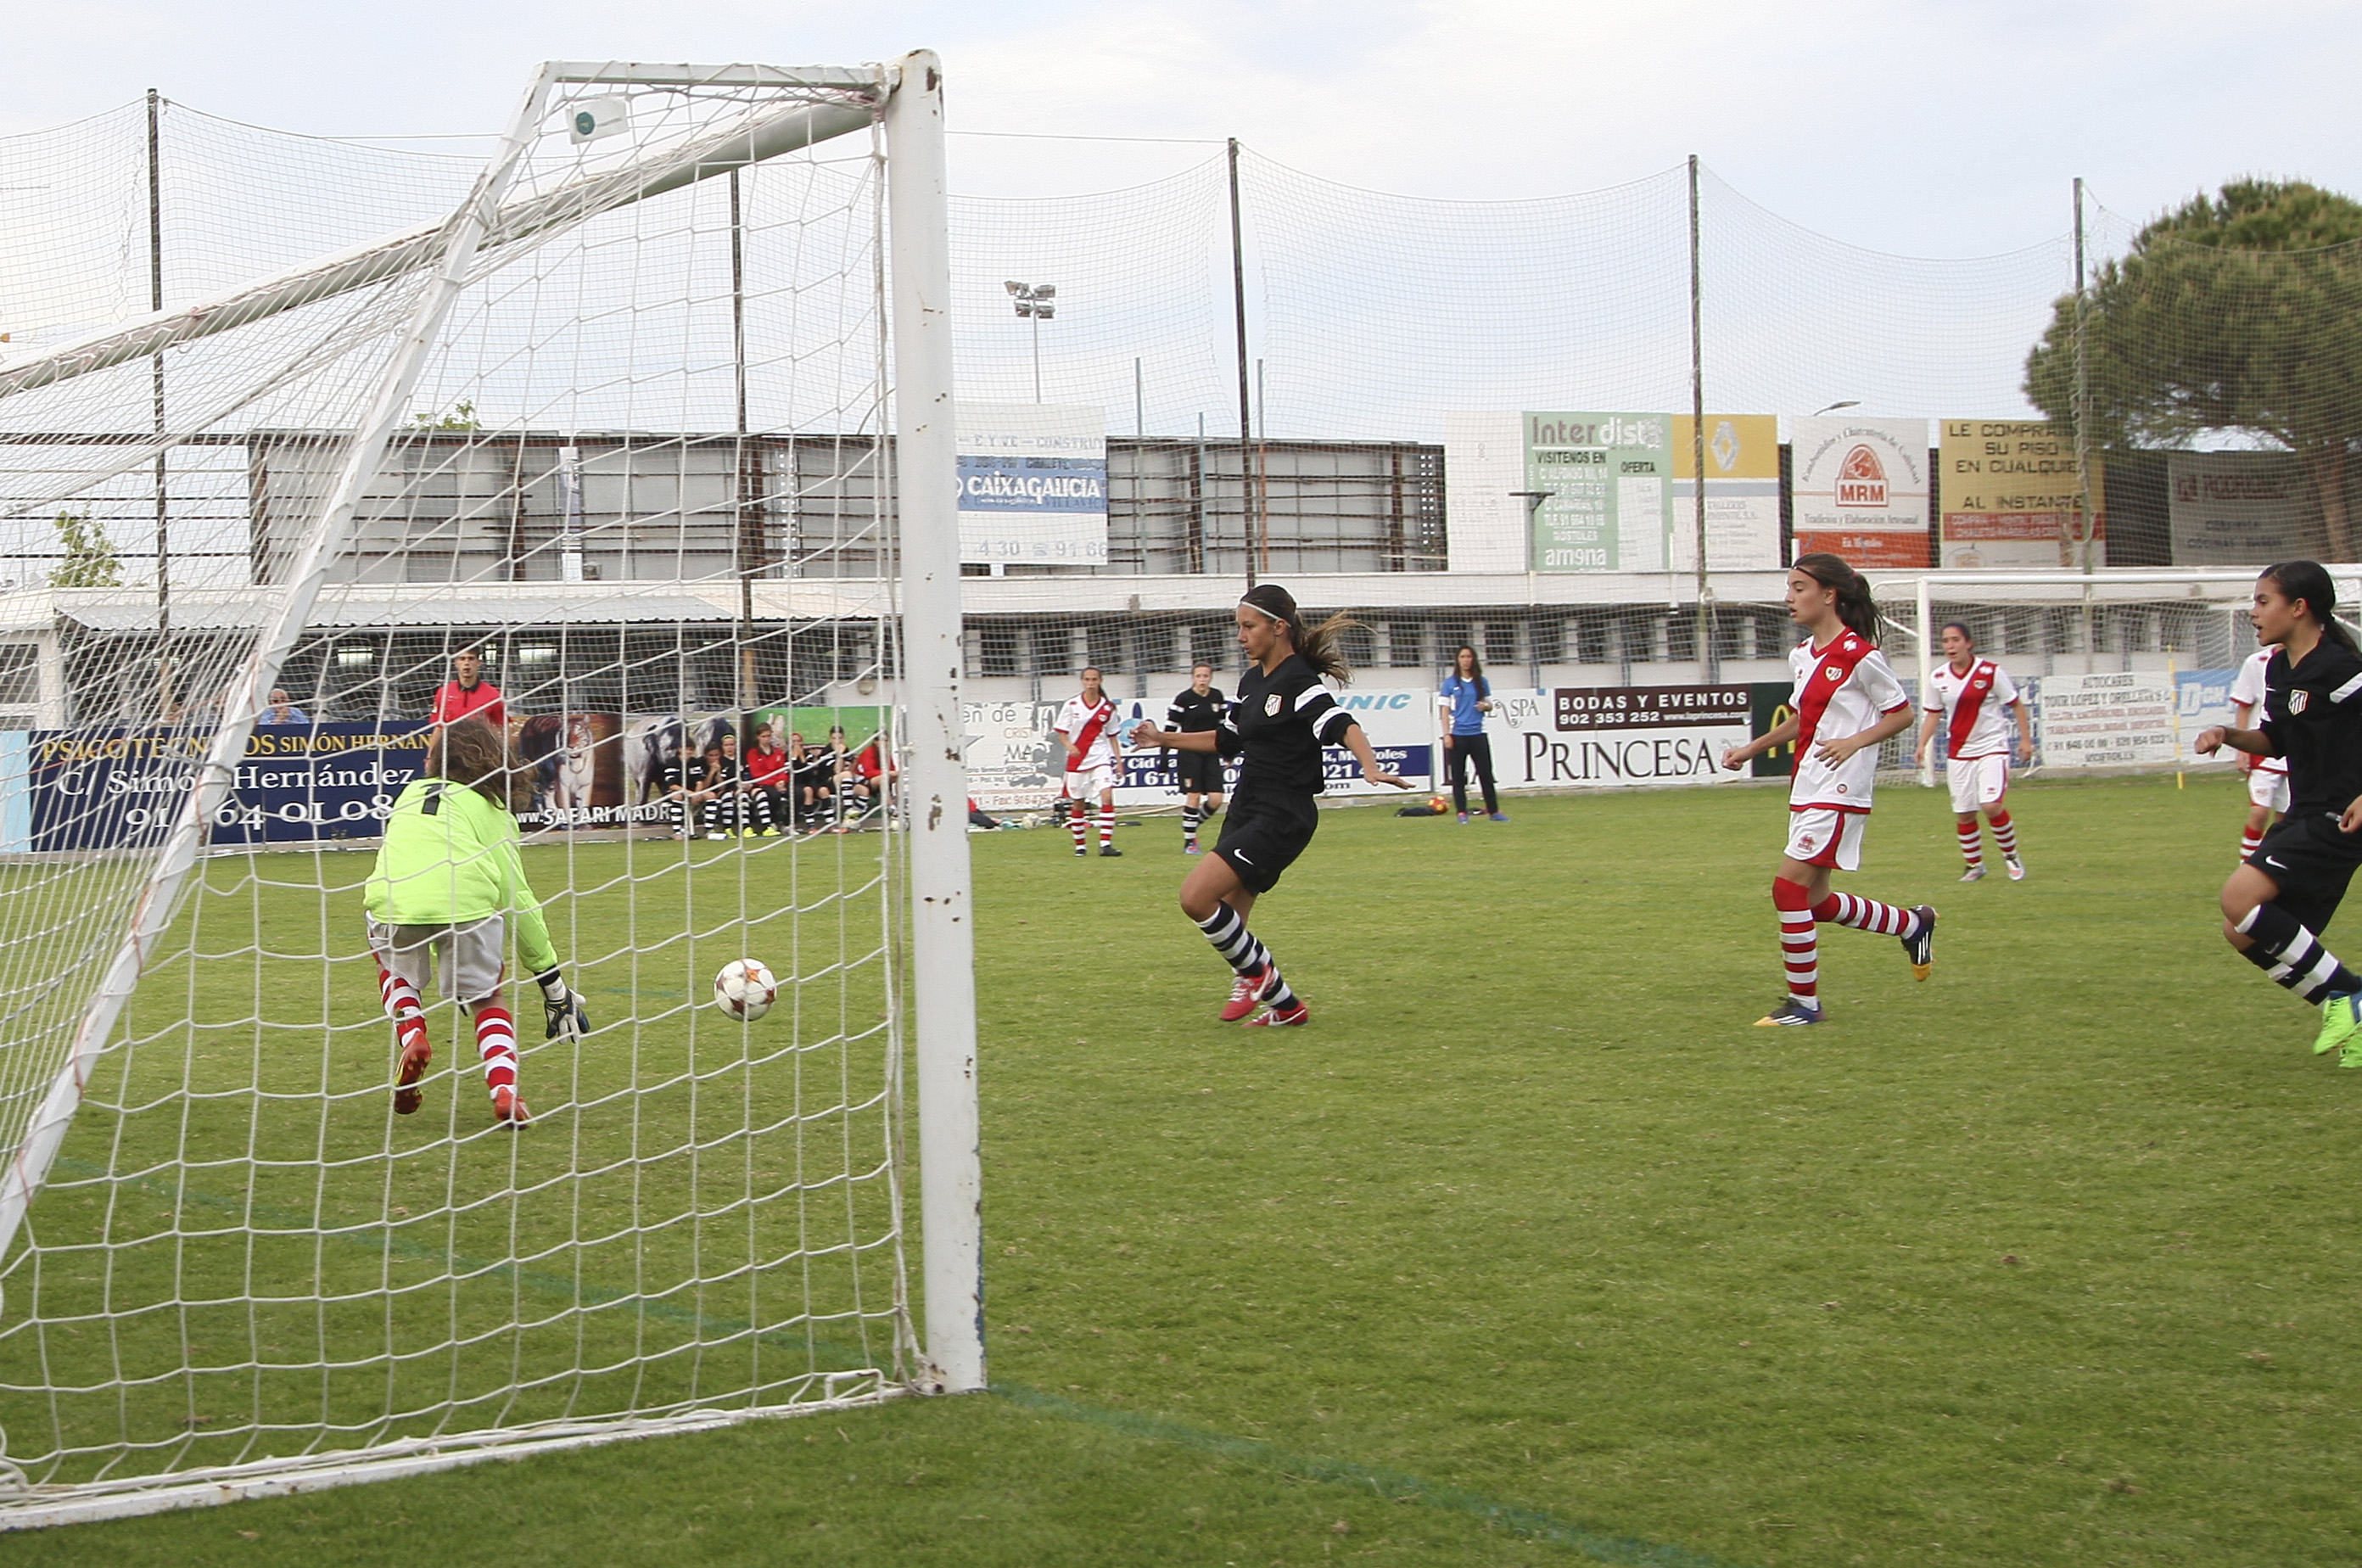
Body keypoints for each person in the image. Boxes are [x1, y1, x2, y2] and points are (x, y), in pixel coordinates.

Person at [1126, 584, 1409, 1027]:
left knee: (1195, 897)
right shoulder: (1251, 681)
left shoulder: (1299, 680)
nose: (1240, 636)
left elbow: (1341, 724)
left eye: (1248, 626)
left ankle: (1259, 976)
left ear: (1278, 628)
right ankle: (1286, 1007)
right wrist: (1164, 738)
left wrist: (1369, 766)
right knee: (1231, 921)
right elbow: (1227, 739)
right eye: (1238, 626)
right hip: (1248, 805)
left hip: (1283, 814)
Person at [1719, 553, 1936, 1028]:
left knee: (1786, 889)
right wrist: (1750, 750)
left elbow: (1901, 713)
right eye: (1789, 587)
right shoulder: (1803, 655)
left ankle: (1805, 1005)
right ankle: (1913, 923)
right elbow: (1801, 721)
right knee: (1815, 902)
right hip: (1808, 786)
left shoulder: (1860, 655)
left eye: (1799, 588)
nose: (1789, 597)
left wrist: (1854, 742)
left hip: (1840, 789)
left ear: (1829, 595)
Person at [362, 717, 586, 1127]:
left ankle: (412, 1033)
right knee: (487, 998)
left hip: (394, 899)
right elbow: (517, 899)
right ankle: (505, 1091)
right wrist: (552, 983)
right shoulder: (492, 810)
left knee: (394, 967)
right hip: (468, 904)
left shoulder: (410, 793)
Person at [2194, 562, 2362, 1063]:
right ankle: (2346, 1011)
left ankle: (2351, 996)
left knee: (2238, 898)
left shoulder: (2341, 666)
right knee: (2242, 931)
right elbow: (2278, 740)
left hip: (2341, 815)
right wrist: (2228, 735)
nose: (2253, 612)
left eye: (2263, 601)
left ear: (2299, 607)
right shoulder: (2279, 667)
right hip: (2306, 810)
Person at [1911, 622, 2034, 882]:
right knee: (1965, 812)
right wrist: (1922, 744)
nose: (1950, 646)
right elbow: (1933, 714)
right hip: (1959, 752)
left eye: (1955, 640)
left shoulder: (1990, 672)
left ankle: (2011, 856)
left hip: (1992, 747)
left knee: (1990, 805)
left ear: (1969, 643)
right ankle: (1974, 865)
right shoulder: (1939, 678)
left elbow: (2016, 705)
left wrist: (2025, 740)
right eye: (1945, 641)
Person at [2229, 641, 2290, 862]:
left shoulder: (2310, 661)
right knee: (2259, 811)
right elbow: (2244, 705)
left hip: (2295, 754)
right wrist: (2242, 748)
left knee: (2285, 818)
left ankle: (2273, 863)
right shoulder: (2256, 662)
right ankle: (2246, 865)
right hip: (2263, 750)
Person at [1055, 667, 1123, 858]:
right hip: (1078, 759)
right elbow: (1061, 732)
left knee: (1107, 796)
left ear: (1100, 681)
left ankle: (1106, 844)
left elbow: (1112, 737)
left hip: (1100, 757)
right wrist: (1069, 746)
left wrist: (1118, 762)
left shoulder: (1108, 708)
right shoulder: (1072, 705)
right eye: (1087, 679)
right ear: (1082, 681)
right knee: (1078, 803)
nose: (1091, 683)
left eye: (1094, 679)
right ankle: (1080, 846)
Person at [1438, 644, 1506, 824]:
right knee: (1459, 776)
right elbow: (1444, 711)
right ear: (1457, 660)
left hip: (1478, 734)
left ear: (1473, 659)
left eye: (1469, 657)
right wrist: (1446, 735)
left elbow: (1490, 704)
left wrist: (1486, 706)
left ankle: (1494, 811)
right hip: (1458, 735)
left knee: (1486, 774)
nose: (1466, 660)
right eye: (1462, 657)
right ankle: (1461, 812)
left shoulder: (1481, 682)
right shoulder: (1450, 683)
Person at [1165, 663, 1229, 854]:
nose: (1202, 680)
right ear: (1193, 678)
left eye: (1205, 676)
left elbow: (1222, 727)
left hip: (1210, 751)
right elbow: (1170, 727)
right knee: (1193, 795)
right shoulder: (1184, 699)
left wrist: (1228, 751)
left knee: (1216, 799)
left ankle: (1190, 827)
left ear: (1211, 677)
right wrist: (1164, 755)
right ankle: (1190, 843)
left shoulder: (1217, 697)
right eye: (1199, 676)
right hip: (1188, 751)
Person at [430, 647, 505, 731]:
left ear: (479, 663)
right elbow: (439, 728)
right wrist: (431, 745)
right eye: (462, 659)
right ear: (456, 663)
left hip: (480, 743)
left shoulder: (493, 695)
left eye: (471, 659)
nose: (466, 663)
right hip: (453, 743)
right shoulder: (444, 693)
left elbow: (503, 727)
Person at [745, 723, 791, 836]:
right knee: (773, 795)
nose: (766, 739)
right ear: (758, 737)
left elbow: (782, 770)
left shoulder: (777, 751)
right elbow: (757, 774)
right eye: (764, 736)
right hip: (763, 783)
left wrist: (782, 781)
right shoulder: (753, 753)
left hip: (779, 782)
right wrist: (775, 783)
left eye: (768, 736)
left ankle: (788, 823)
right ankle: (772, 821)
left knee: (798, 793)